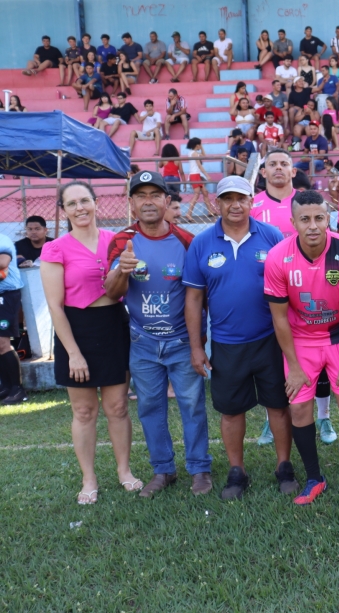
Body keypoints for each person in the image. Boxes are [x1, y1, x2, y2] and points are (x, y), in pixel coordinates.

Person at [183, 176, 299, 500]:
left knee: (278, 405)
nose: (235, 205)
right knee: (231, 411)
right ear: (216, 203)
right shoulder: (202, 243)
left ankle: (284, 465)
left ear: (252, 202)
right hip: (226, 344)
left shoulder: (272, 236)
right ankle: (237, 470)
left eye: (242, 198)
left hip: (269, 340)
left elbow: (289, 289)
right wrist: (196, 346)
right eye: (227, 198)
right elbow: (193, 299)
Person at [105, 171, 212, 497]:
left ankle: (200, 470)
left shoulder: (187, 241)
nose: (148, 202)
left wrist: (199, 345)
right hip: (143, 343)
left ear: (168, 201)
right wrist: (122, 271)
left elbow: (200, 297)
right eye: (141, 196)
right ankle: (163, 470)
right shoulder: (122, 241)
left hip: (182, 342)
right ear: (132, 202)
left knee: (192, 406)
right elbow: (111, 292)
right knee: (150, 408)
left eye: (155, 195)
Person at [264, 189, 339, 504]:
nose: (313, 225)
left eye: (319, 218)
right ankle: (314, 478)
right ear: (293, 221)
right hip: (301, 342)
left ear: (328, 219)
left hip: (338, 338)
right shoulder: (278, 257)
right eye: (305, 219)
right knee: (297, 407)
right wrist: (293, 367)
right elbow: (279, 319)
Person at [40, 181, 141, 505]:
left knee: (118, 407)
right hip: (77, 331)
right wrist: (73, 353)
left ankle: (124, 472)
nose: (80, 208)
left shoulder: (117, 241)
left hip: (113, 326)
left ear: (96, 203)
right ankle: (89, 479)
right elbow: (55, 306)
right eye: (72, 203)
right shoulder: (55, 248)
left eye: (85, 200)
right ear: (64, 210)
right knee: (84, 411)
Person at [251, 150, 338, 445]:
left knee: (320, 358)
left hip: (312, 293)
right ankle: (270, 419)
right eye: (272, 164)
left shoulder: (308, 202)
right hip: (271, 292)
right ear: (263, 172)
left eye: (284, 164)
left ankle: (324, 417)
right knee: (277, 360)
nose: (278, 168)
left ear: (292, 170)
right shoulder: (254, 205)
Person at [0, 231, 26, 405]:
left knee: (3, 344)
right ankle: (6, 387)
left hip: (6, 295)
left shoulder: (2, 240)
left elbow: (2, 264)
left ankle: (18, 390)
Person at [183, 137, 212, 218]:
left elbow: (204, 155)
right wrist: (207, 175)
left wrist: (201, 146)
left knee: (205, 192)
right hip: (194, 175)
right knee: (196, 194)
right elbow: (199, 165)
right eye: (200, 144)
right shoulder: (194, 153)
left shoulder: (192, 152)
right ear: (197, 145)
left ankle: (210, 211)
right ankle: (188, 214)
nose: (201, 146)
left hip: (196, 175)